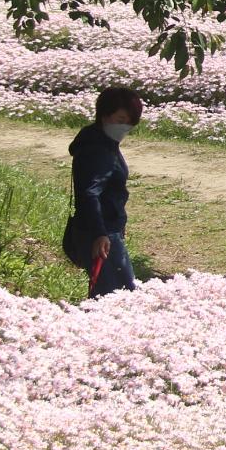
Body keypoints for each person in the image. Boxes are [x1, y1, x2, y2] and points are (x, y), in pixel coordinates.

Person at [69, 87, 142, 297]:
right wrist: (100, 234)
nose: (125, 127)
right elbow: (90, 193)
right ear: (104, 114)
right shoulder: (98, 148)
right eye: (120, 119)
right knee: (118, 296)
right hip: (101, 234)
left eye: (129, 122)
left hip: (103, 229)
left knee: (109, 293)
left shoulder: (101, 141)